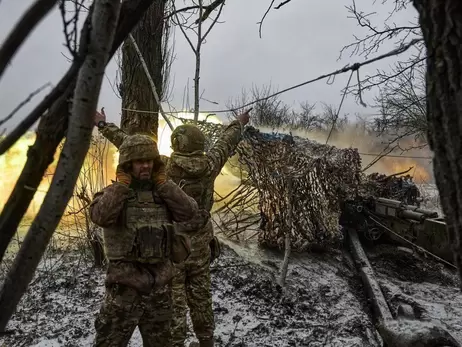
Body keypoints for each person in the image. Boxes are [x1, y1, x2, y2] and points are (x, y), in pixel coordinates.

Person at [94, 108, 251, 347]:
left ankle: (176, 342)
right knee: (201, 299)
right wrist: (238, 124)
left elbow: (131, 145)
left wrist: (104, 126)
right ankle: (206, 341)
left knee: (175, 306)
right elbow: (225, 143)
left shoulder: (165, 166)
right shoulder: (210, 164)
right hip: (199, 248)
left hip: (172, 246)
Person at [89, 133, 199, 347]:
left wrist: (164, 184)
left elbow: (189, 212)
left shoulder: (164, 194)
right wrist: (121, 187)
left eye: (149, 161)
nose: (146, 166)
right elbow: (100, 216)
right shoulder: (115, 194)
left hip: (159, 289)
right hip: (124, 291)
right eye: (140, 161)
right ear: (128, 165)